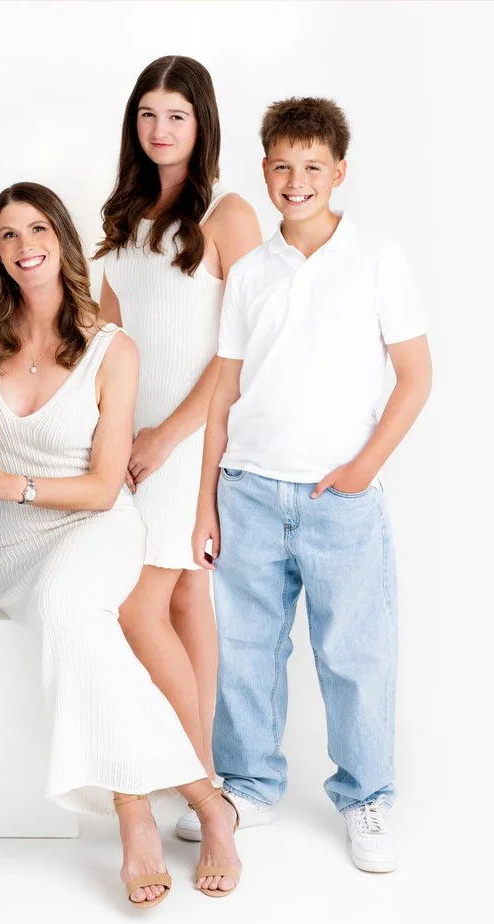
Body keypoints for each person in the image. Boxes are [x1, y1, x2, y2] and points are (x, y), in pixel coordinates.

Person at [0, 183, 239, 906]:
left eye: (36, 228)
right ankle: (207, 798)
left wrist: (11, 484)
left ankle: (136, 818)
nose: (22, 245)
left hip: (98, 526)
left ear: (62, 239)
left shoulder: (111, 347)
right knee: (76, 623)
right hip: (13, 549)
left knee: (73, 608)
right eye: (6, 235)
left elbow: (105, 487)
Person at [192, 98, 432, 872]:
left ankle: (368, 797)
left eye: (313, 168)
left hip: (339, 498)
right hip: (250, 491)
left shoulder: (377, 259)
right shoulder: (252, 272)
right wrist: (207, 501)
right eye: (283, 167)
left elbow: (416, 375)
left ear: (340, 173)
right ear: (264, 170)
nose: (297, 181)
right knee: (246, 650)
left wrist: (364, 468)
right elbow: (224, 391)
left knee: (355, 652)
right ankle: (250, 783)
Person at [96, 56, 261, 853]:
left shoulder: (229, 215)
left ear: (203, 125)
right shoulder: (120, 219)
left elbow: (238, 352)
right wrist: (118, 433)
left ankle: (199, 787)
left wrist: (170, 435)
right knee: (185, 599)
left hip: (193, 438)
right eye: (148, 115)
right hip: (135, 443)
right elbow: (107, 341)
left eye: (177, 116)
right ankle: (208, 783)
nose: (160, 131)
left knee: (143, 604)